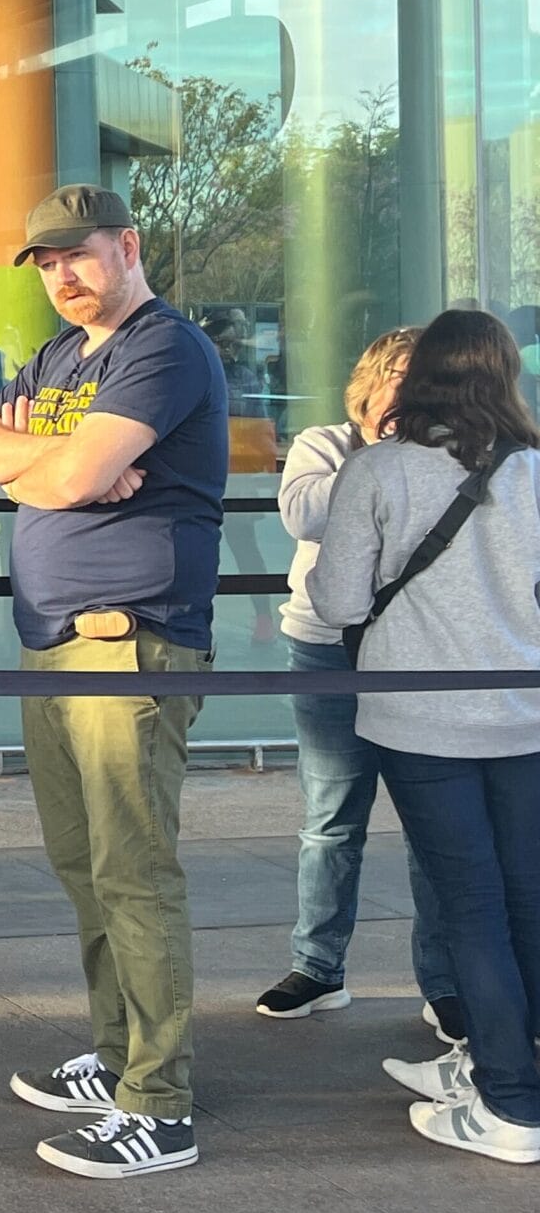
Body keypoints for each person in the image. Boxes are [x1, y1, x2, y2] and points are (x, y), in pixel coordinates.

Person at [0, 185, 225, 1180]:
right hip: (53, 641)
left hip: (128, 642)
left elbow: (52, 479)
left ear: (126, 245)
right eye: (45, 263)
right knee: (83, 868)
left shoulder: (162, 348)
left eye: (78, 256)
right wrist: (60, 459)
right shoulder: (60, 356)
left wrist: (52, 467)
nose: (62, 277)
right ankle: (119, 1058)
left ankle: (159, 1103)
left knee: (132, 872)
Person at [314, 308, 540, 1167]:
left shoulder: (379, 469)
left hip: (418, 720)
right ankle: (502, 1069)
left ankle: (512, 1103)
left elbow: (337, 603)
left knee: (470, 908)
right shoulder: (534, 471)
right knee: (525, 897)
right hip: (524, 714)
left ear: (421, 377)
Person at [262, 328, 458, 1029]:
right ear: (370, 380)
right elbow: (304, 513)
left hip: (417, 655)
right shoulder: (325, 443)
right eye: (400, 373)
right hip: (326, 650)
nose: (410, 389)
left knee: (431, 824)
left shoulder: (447, 454)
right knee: (331, 819)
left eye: (425, 377)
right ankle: (318, 968)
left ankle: (445, 985)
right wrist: (382, 462)